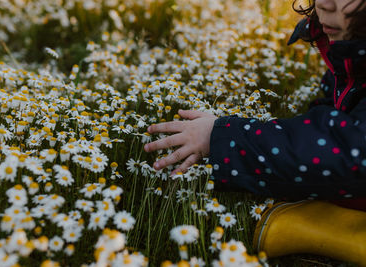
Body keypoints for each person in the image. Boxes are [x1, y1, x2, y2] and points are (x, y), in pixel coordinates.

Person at [144, 0, 366, 264]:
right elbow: (338, 114)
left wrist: (223, 138)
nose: (324, 3)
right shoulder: (349, 50)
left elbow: (342, 149)